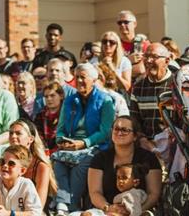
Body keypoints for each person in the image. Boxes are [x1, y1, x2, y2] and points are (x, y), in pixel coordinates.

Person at [51, 64, 115, 215]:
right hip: (72, 145)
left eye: (83, 77)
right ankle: (64, 204)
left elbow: (105, 131)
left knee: (82, 165)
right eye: (77, 77)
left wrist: (84, 143)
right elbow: (60, 128)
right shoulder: (69, 100)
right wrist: (62, 141)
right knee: (58, 162)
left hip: (96, 145)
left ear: (94, 79)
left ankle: (69, 206)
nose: (79, 80)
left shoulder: (105, 100)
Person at [86, 116, 161, 216]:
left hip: (139, 210)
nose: (119, 133)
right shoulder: (99, 158)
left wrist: (133, 211)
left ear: (135, 136)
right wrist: (108, 208)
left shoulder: (149, 158)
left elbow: (154, 194)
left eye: (125, 130)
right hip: (106, 210)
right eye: (116, 129)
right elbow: (95, 192)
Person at [8, 119, 56, 208]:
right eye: (11, 133)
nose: (13, 136)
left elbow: (38, 207)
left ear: (30, 139)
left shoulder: (41, 167)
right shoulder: (4, 164)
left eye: (18, 133)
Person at [83, 163, 147, 216]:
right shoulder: (126, 194)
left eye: (124, 178)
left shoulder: (134, 194)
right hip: (111, 212)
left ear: (135, 182)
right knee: (96, 211)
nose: (120, 181)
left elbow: (135, 210)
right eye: (118, 178)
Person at [116, 11, 148, 79]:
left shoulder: (142, 43)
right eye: (119, 23)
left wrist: (121, 69)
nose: (122, 25)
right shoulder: (114, 45)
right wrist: (128, 60)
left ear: (134, 24)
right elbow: (110, 71)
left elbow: (140, 69)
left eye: (126, 22)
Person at [36, 82, 65, 152]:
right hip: (44, 151)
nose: (49, 99)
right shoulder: (40, 116)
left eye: (52, 95)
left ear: (61, 96)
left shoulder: (68, 114)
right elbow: (38, 136)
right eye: (46, 96)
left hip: (62, 150)